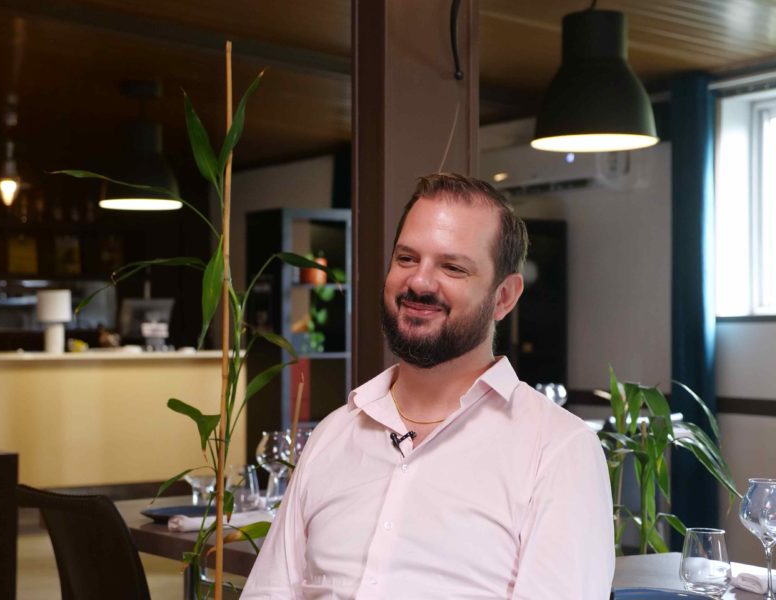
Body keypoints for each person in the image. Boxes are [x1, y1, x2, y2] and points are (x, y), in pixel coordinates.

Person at [242, 173, 614, 599]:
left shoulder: (557, 451)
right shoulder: (333, 435)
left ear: (505, 297)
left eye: (452, 267)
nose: (419, 282)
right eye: (406, 258)